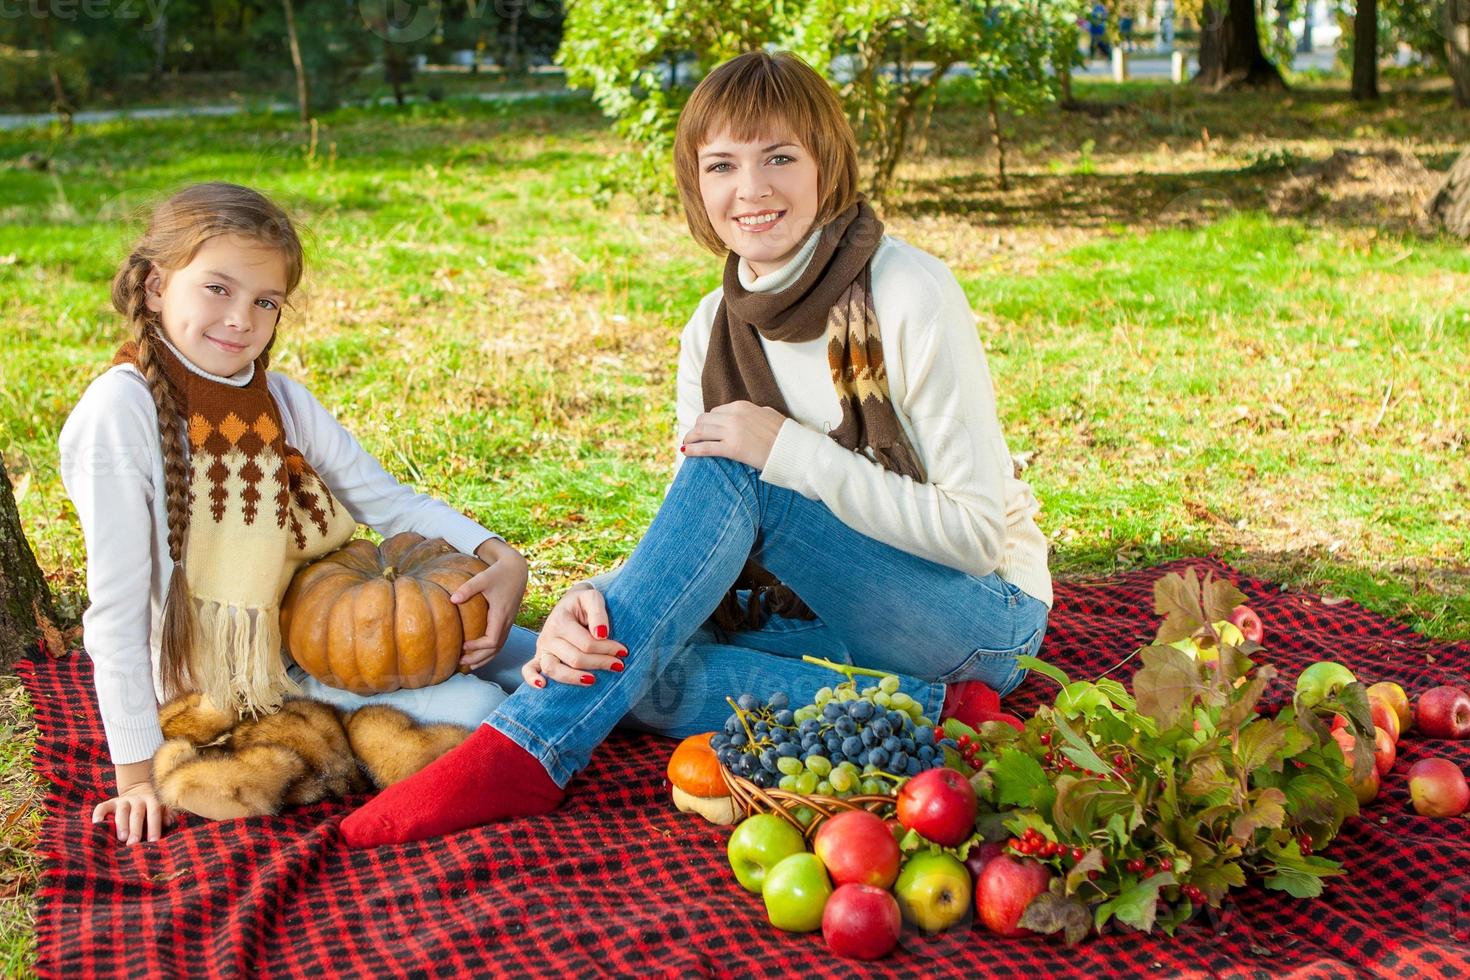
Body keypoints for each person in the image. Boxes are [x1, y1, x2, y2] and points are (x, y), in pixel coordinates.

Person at [340, 50, 1052, 847]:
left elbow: (976, 535)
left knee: (733, 465)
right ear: (696, 185)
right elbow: (696, 534)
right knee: (637, 665)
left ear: (828, 167)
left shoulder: (906, 292)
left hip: (975, 615)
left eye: (780, 157)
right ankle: (935, 713)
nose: (752, 190)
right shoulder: (711, 326)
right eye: (723, 165)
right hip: (808, 619)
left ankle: (528, 749)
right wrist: (600, 596)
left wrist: (789, 450)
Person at [59, 182, 529, 845]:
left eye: (265, 301)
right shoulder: (122, 413)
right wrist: (137, 777)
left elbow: (389, 501)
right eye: (217, 289)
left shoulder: (280, 398)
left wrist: (500, 555)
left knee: (536, 651)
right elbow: (117, 612)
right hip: (236, 685)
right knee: (485, 709)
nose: (240, 318)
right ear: (158, 286)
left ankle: (670, 692)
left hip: (313, 633)